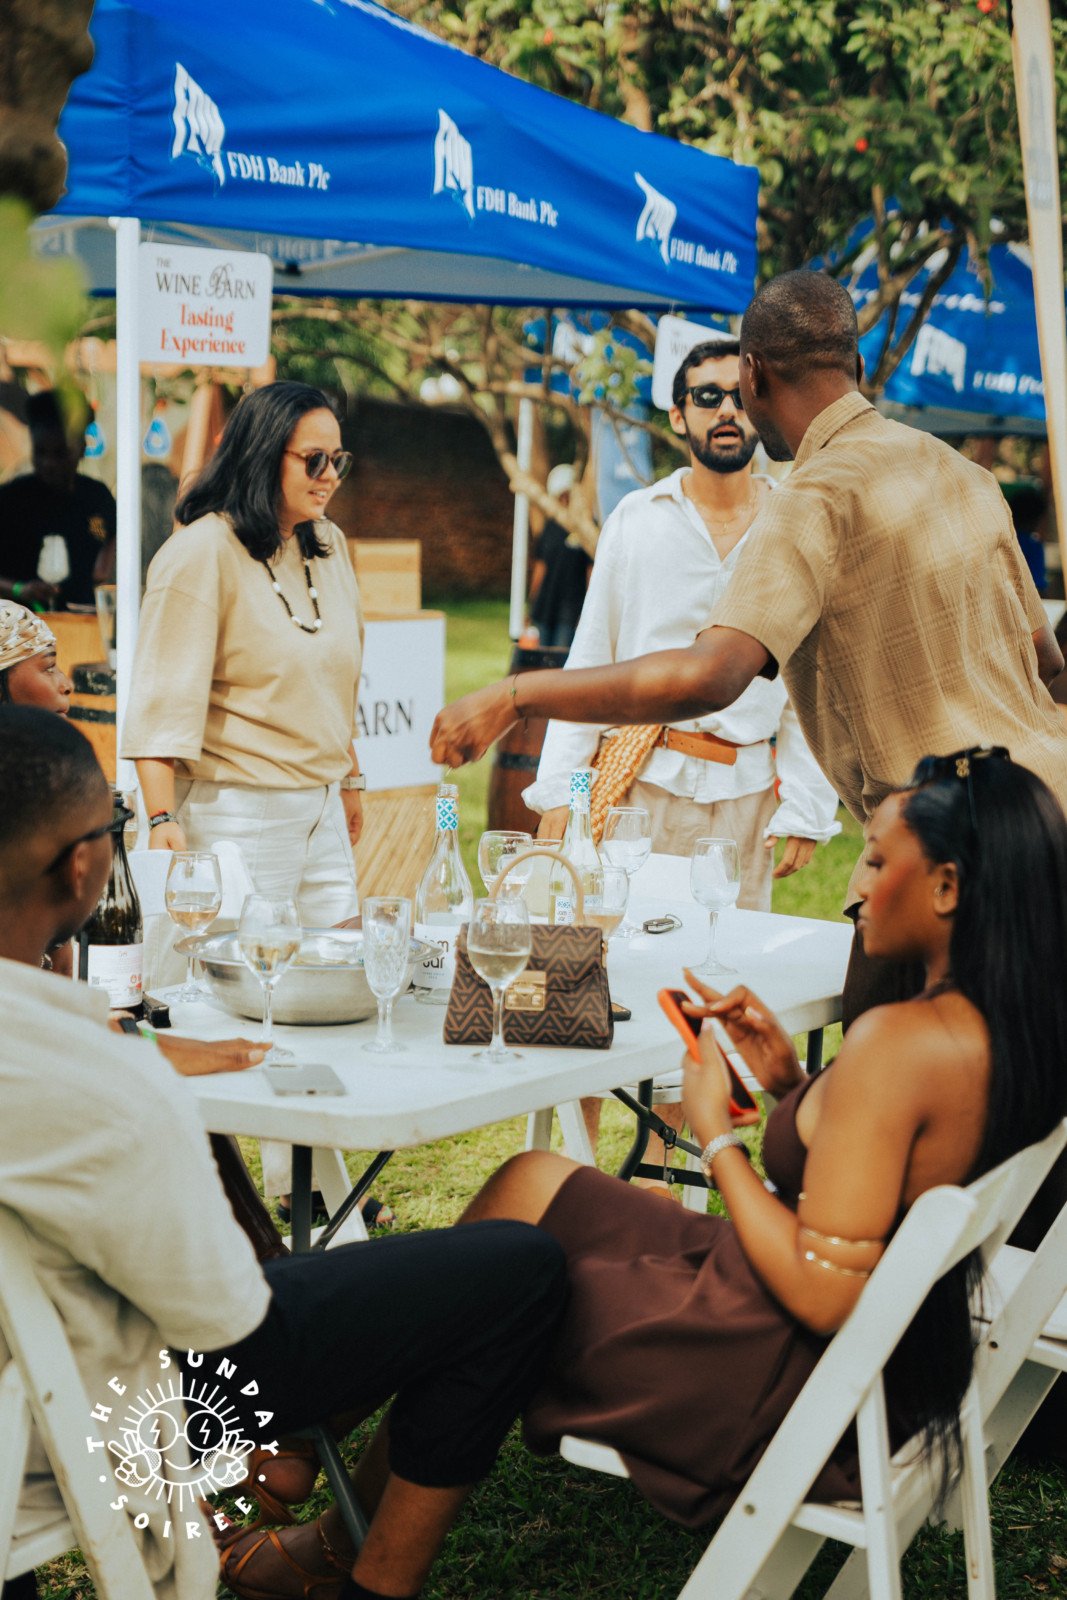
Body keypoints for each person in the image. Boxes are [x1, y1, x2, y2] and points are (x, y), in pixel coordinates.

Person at [0, 705, 567, 1600]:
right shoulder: (102, 1086)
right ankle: (355, 1574)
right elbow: (223, 1315)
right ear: (81, 866)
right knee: (518, 1268)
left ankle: (310, 1479)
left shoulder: (87, 1058)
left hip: (25, 1380)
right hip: (88, 1404)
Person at [431, 271, 1067, 1024]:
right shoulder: (964, 475)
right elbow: (1047, 668)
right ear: (857, 364)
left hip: (946, 851)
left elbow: (712, 675)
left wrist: (515, 695)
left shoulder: (811, 497)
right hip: (1046, 813)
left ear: (754, 374)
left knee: (860, 1078)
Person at [461, 748, 1067, 1527]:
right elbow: (896, 1155)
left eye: (876, 861)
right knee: (531, 1179)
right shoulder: (1006, 1023)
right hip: (868, 1349)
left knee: (486, 1285)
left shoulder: (899, 1044)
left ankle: (356, 1540)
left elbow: (823, 1293)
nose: (856, 889)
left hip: (776, 1372)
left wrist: (716, 1138)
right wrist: (792, 1084)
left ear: (947, 887)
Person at [121, 381, 367, 1198]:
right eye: (313, 459)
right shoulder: (200, 554)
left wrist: (349, 780)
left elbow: (339, 682)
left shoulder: (328, 545)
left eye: (338, 459)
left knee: (330, 1003)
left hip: (319, 807)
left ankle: (316, 1195)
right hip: (234, 811)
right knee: (232, 1011)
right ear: (264, 454)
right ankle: (212, 1201)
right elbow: (159, 705)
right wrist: (162, 820)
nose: (329, 476)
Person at [525, 340, 839, 900]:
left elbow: (812, 680)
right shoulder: (637, 520)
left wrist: (808, 804)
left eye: (741, 397)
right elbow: (591, 658)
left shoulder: (795, 525)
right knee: (630, 944)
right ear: (677, 415)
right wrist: (557, 790)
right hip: (642, 789)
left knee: (732, 948)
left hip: (747, 800)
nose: (727, 410)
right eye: (707, 397)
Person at [0, 389, 116, 609]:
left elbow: (106, 533)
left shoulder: (96, 497)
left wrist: (102, 568)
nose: (49, 463)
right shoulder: (11, 500)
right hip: (21, 622)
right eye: (40, 452)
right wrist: (18, 589)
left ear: (82, 448)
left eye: (60, 453)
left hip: (82, 618)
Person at [525, 464, 591, 649]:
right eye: (561, 496)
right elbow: (540, 569)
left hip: (571, 611)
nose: (564, 500)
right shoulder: (550, 528)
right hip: (545, 607)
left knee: (562, 658)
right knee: (541, 658)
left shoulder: (585, 530)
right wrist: (532, 604)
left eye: (567, 495)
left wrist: (589, 610)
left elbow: (591, 572)